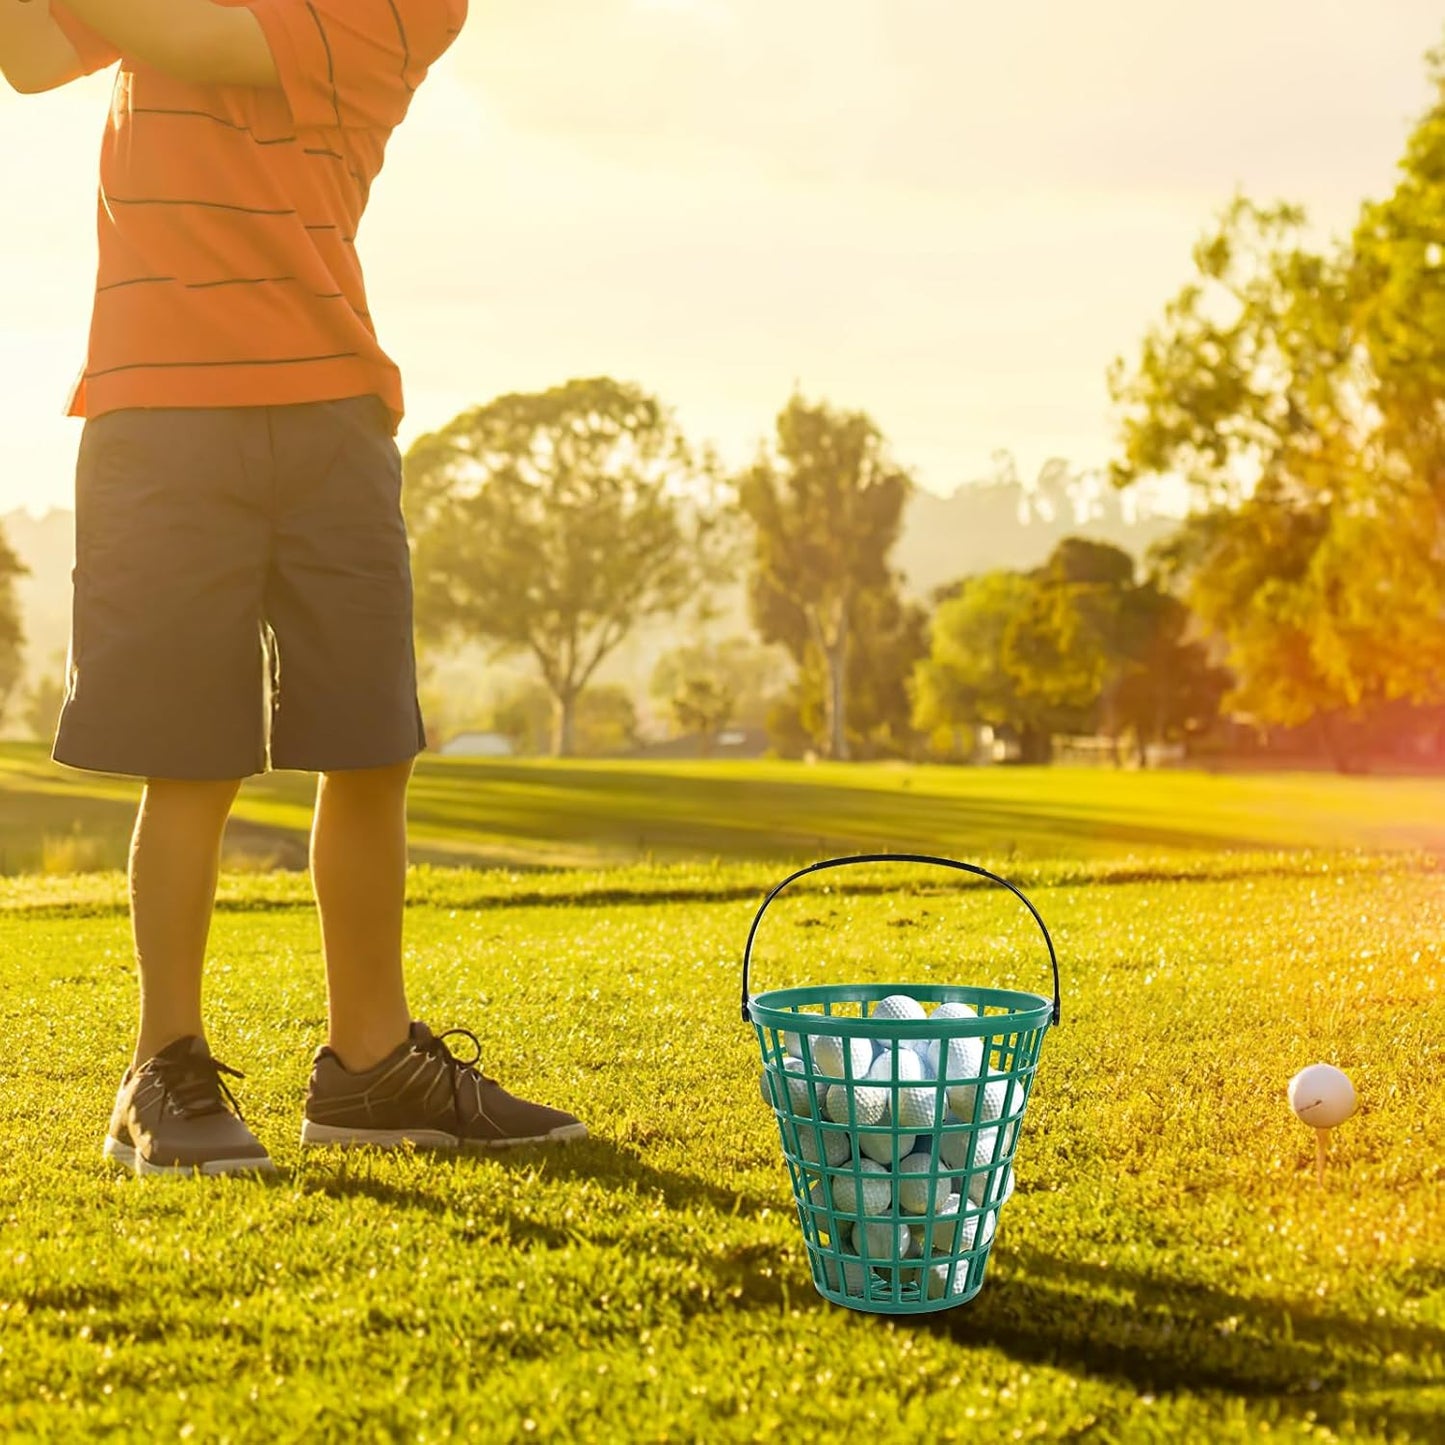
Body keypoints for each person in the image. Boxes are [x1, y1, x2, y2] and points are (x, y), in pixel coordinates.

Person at [1, 0, 586, 1174]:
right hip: (159, 405)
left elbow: (209, 45)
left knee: (371, 744)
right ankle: (160, 1065)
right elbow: (25, 56)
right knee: (192, 754)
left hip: (327, 407)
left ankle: (369, 1068)